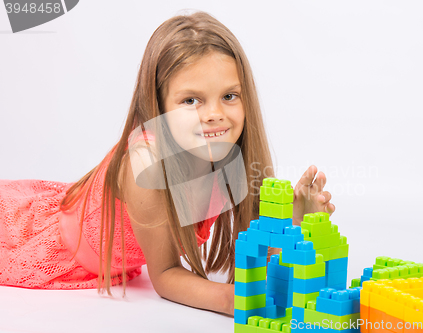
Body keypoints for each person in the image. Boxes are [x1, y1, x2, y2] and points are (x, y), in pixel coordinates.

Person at [0, 11, 335, 316]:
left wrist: (293, 223)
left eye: (229, 96)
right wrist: (231, 299)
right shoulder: (144, 168)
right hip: (49, 246)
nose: (214, 114)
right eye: (191, 100)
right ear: (158, 106)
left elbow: (258, 256)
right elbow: (165, 275)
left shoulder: (230, 156)